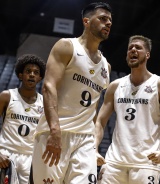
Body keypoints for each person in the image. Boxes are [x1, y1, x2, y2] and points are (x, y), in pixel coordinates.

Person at [31, 2, 112, 183]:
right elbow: (48, 87)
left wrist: (94, 145)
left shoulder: (106, 66)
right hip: (56, 132)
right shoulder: (67, 47)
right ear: (86, 21)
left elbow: (94, 107)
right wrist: (54, 131)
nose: (108, 24)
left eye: (110, 21)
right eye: (103, 19)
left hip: (85, 140)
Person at [95, 35, 160, 184]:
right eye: (130, 48)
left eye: (138, 47)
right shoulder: (115, 86)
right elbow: (100, 121)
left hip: (146, 163)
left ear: (147, 55)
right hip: (114, 162)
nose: (133, 50)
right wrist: (94, 148)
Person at [0, 54, 46, 184]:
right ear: (20, 75)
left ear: (40, 78)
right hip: (5, 153)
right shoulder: (6, 96)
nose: (32, 74)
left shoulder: (45, 104)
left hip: (30, 158)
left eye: (36, 73)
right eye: (28, 71)